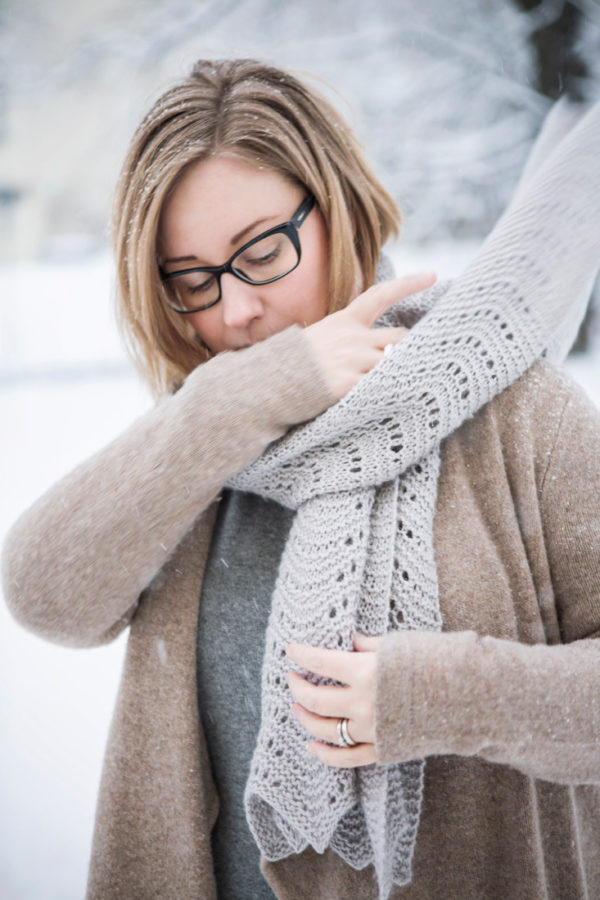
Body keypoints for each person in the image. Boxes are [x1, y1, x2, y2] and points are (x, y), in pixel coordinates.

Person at [2, 58, 600, 900]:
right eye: (192, 280)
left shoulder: (515, 415)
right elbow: (40, 591)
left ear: (339, 207)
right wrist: (238, 399)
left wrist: (443, 695)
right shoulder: (206, 446)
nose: (235, 311)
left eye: (262, 252)